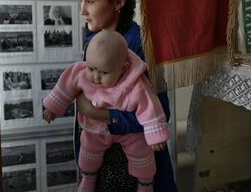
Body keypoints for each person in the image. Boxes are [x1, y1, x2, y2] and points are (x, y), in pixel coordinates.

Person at [74, 0, 178, 191]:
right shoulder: (94, 38)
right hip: (99, 162)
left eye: (89, 1)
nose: (82, 10)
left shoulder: (142, 48)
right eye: (81, 1)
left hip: (132, 172)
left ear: (118, 2)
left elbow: (160, 113)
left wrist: (96, 113)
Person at [44, 30, 169, 191]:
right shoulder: (81, 72)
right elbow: (65, 85)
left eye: (103, 72)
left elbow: (149, 106)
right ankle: (88, 176)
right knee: (88, 147)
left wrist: (156, 134)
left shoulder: (136, 83)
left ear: (123, 68)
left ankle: (145, 182)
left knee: (141, 151)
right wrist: (52, 107)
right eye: (91, 68)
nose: (95, 77)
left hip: (128, 134)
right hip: (95, 129)